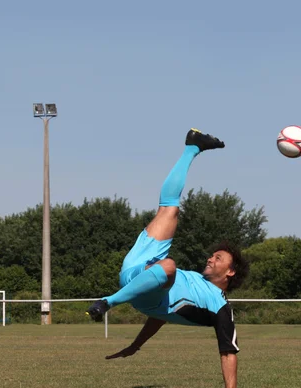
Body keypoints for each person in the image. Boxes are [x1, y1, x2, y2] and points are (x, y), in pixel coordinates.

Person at [87, 128, 249, 388]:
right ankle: (193, 147)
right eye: (212, 255)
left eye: (218, 258)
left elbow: (228, 351)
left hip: (148, 290)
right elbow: (163, 317)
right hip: (139, 266)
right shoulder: (195, 279)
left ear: (230, 272)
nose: (210, 258)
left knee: (170, 266)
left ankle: (107, 302)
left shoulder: (218, 307)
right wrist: (136, 346)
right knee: (170, 209)